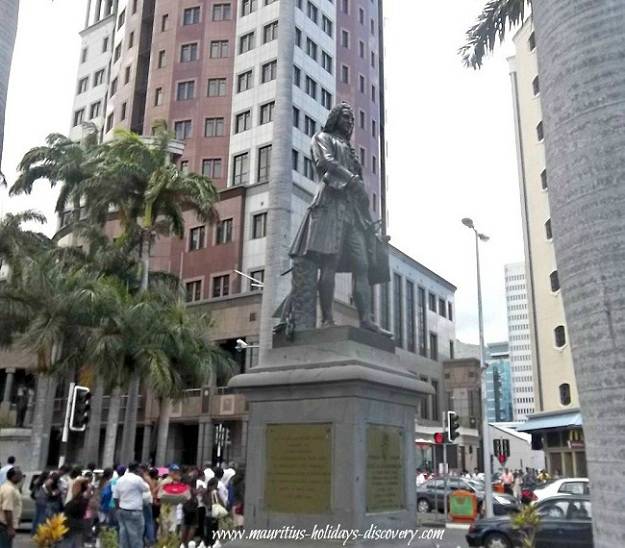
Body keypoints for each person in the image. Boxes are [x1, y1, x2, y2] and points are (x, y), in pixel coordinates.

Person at [287, 102, 390, 334]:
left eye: (352, 120)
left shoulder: (349, 148)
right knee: (328, 263)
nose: (349, 123)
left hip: (352, 212)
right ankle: (327, 319)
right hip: (330, 205)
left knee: (362, 264)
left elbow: (359, 184)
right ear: (335, 118)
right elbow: (325, 163)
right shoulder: (322, 137)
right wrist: (351, 179)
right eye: (346, 118)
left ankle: (366, 319)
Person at [113, 462, 150, 548]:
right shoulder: (137, 479)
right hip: (135, 511)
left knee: (123, 536)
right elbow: (147, 488)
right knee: (136, 536)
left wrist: (117, 508)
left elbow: (115, 497)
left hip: (122, 510)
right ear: (137, 469)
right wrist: (143, 476)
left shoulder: (120, 480)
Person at [61, 477, 92, 547]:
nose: (72, 488)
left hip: (73, 526)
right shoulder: (80, 499)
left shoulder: (80, 500)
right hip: (75, 527)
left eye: (75, 486)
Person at [0, 467, 23, 547]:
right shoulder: (9, 490)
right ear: (14, 476)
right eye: (19, 474)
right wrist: (10, 528)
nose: (21, 476)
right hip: (4, 526)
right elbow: (7, 509)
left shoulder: (10, 487)